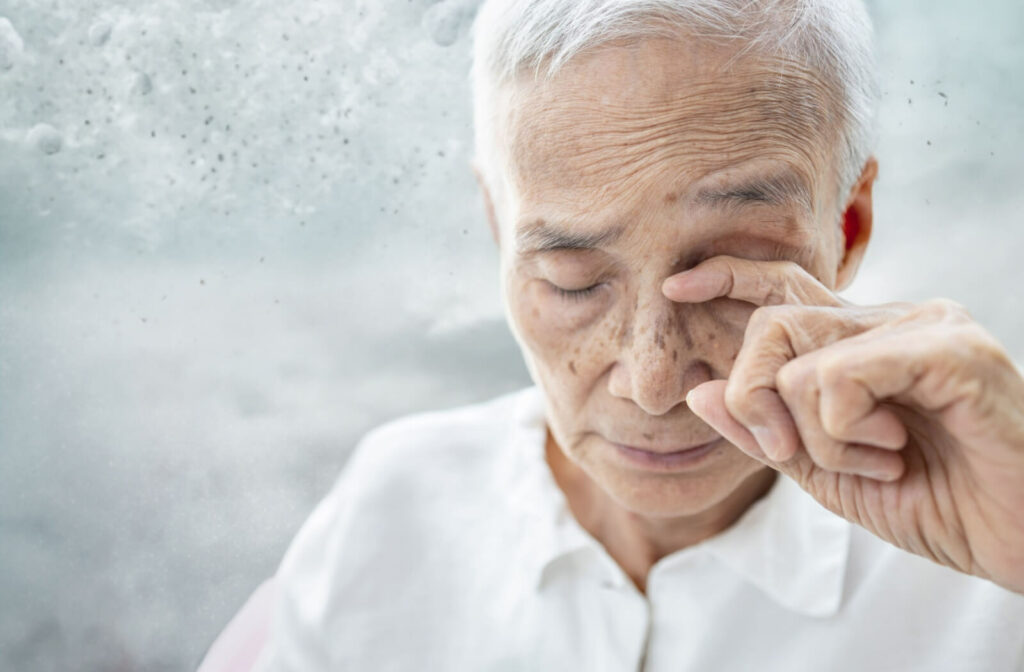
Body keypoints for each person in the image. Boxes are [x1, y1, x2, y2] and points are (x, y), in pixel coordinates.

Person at [249, 1, 1024, 669]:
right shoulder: (391, 517)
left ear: (847, 228)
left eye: (733, 271)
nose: (653, 382)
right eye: (573, 282)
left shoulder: (990, 562)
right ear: (496, 229)